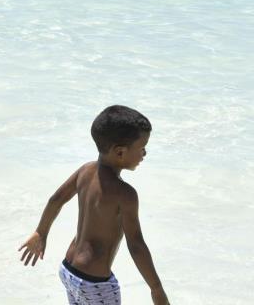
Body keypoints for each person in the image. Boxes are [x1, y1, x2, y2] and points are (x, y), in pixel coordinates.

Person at [18, 105, 170, 305]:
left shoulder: (85, 171)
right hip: (95, 284)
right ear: (120, 152)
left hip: (68, 270)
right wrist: (156, 289)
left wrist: (41, 232)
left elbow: (56, 200)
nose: (145, 153)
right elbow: (136, 246)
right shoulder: (125, 194)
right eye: (142, 148)